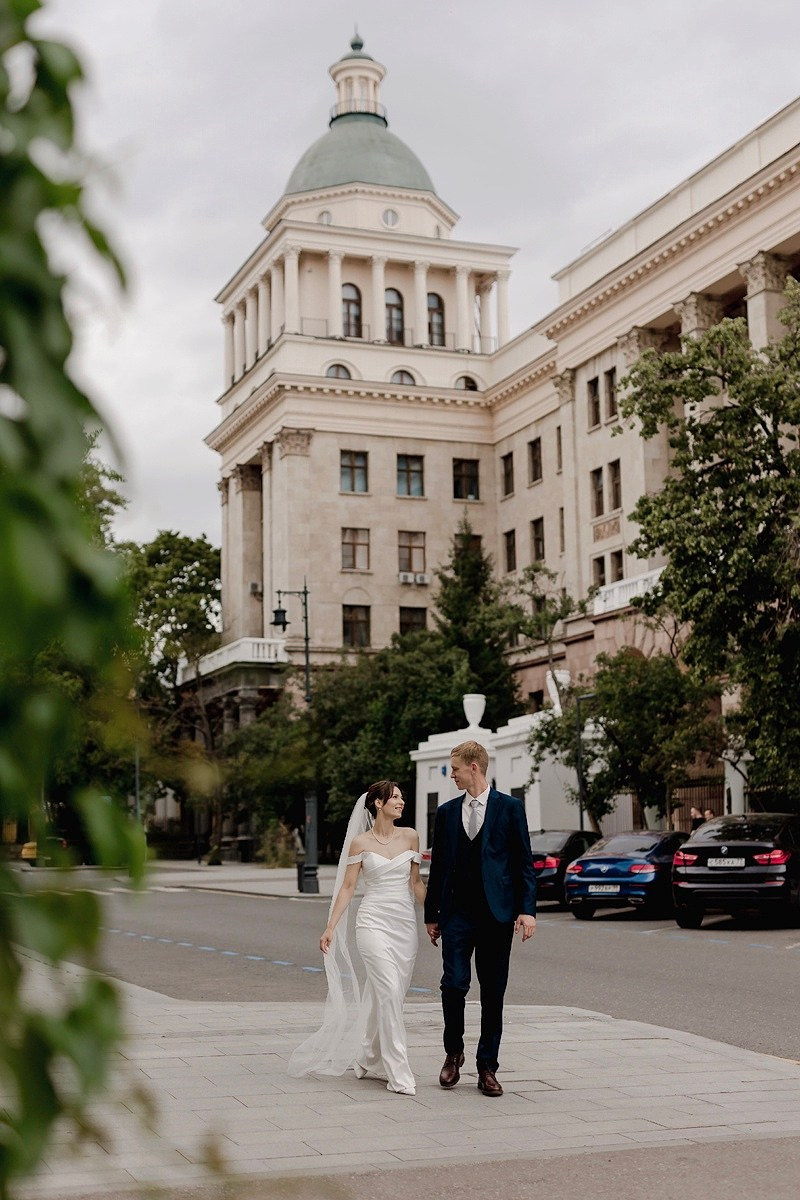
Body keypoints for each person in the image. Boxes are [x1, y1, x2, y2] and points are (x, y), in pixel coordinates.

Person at [287, 780, 425, 1095]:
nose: (401, 802)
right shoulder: (360, 843)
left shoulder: (411, 837)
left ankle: (368, 1056)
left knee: (388, 996)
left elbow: (416, 883)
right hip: (372, 923)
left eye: (401, 798)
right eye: (395, 797)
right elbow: (348, 887)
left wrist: (434, 918)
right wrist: (331, 926)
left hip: (404, 927)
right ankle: (399, 1071)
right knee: (388, 991)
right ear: (378, 803)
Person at [424, 740, 537, 1099]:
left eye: (455, 768)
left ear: (474, 766)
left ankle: (487, 1066)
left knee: (493, 992)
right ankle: (453, 1052)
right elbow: (438, 867)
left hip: (497, 915)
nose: (451, 774)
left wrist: (527, 910)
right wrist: (431, 915)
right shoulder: (445, 813)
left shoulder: (510, 808)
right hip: (456, 914)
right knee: (454, 984)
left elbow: (523, 863)